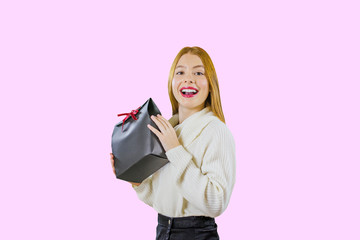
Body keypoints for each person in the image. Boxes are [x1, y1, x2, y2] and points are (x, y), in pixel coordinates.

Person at [110, 46, 236, 240]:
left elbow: (216, 202)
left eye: (198, 72)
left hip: (196, 234)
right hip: (163, 230)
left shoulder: (215, 131)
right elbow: (162, 199)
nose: (188, 78)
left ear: (210, 84)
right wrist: (137, 181)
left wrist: (175, 149)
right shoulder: (169, 130)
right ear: (172, 82)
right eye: (180, 72)